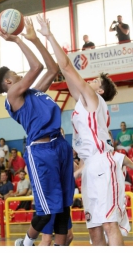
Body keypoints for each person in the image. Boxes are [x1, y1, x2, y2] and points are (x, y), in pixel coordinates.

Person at [37, 15, 126, 246]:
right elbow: (66, 73)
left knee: (108, 224)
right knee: (95, 230)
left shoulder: (93, 98)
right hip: (89, 166)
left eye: (96, 81)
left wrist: (49, 35)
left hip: (102, 164)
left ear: (101, 91)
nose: (92, 81)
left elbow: (67, 66)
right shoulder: (82, 101)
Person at [0, 17, 74, 246]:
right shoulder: (13, 96)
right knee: (47, 209)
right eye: (15, 74)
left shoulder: (35, 92)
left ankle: (58, 247)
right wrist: (17, 39)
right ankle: (26, 244)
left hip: (60, 146)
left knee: (64, 204)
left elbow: (52, 68)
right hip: (41, 150)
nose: (20, 74)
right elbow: (36, 67)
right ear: (9, 81)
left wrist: (36, 39)